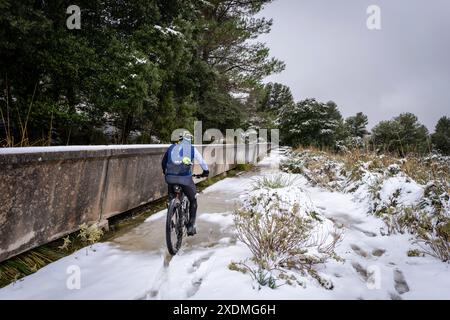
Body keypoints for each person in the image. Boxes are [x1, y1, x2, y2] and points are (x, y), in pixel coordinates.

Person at [161, 132, 209, 236]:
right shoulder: (192, 149)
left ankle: (170, 213)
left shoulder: (171, 147)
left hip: (170, 178)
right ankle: (190, 226)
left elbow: (163, 163)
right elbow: (202, 162)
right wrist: (206, 172)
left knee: (171, 197)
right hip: (185, 180)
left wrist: (166, 173)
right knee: (193, 199)